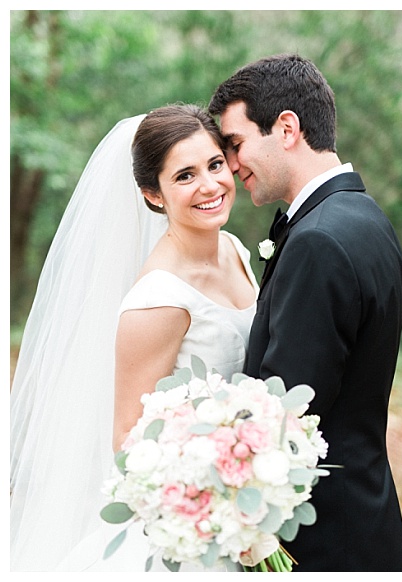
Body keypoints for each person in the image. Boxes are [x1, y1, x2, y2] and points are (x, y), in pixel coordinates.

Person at [10, 104, 257, 571]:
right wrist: (215, 487)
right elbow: (127, 436)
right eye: (184, 176)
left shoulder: (233, 248)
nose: (209, 185)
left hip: (246, 500)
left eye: (215, 164)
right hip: (193, 523)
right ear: (153, 195)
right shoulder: (159, 298)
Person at [208, 53, 402, 571]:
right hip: (365, 511)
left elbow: (287, 412)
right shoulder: (365, 217)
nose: (231, 165)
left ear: (287, 128)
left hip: (320, 539)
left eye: (235, 144)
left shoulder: (318, 240)